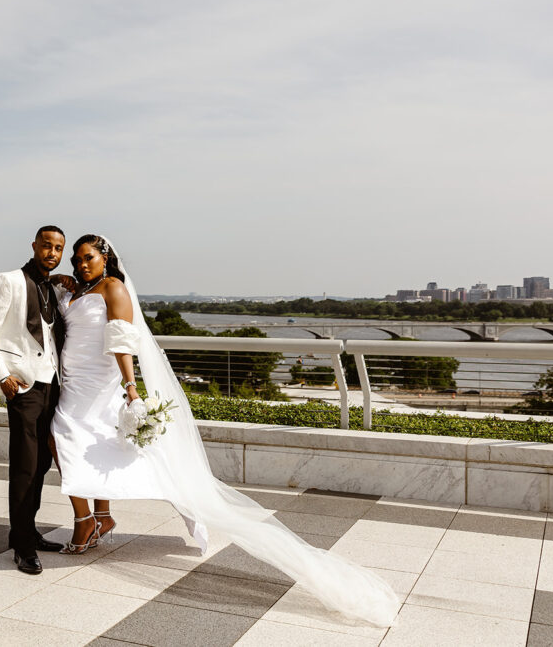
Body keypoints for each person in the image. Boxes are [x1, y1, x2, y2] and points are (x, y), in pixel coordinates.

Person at [48, 234, 401, 627]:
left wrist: (131, 390)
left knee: (64, 439)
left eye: (88, 258)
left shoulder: (113, 288)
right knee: (88, 446)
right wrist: (65, 283)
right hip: (73, 379)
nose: (81, 264)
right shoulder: (81, 287)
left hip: (95, 384)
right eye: (77, 259)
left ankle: (86, 522)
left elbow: (121, 343)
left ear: (105, 258)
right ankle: (103, 516)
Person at [0, 225, 67, 575]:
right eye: (47, 246)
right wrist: (2, 375)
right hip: (24, 387)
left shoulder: (54, 287)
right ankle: (24, 548)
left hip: (53, 385)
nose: (52, 253)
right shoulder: (9, 280)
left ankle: (26, 531)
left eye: (58, 248)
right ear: (35, 246)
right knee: (26, 466)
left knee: (42, 462)